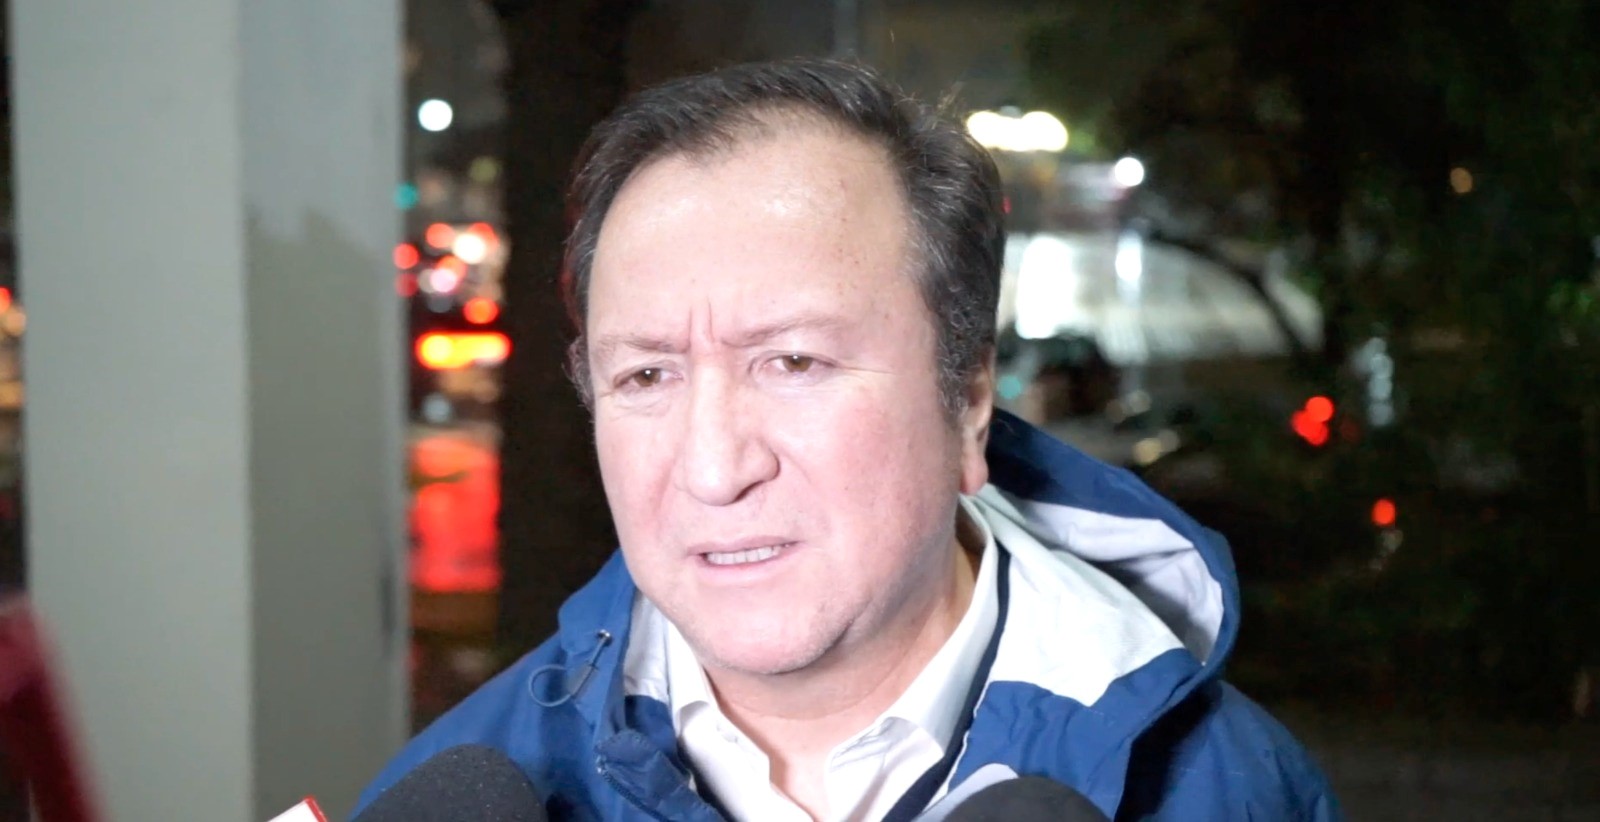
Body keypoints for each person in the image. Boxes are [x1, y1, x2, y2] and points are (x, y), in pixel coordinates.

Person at [355, 58, 1340, 821]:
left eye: (793, 362)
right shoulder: (461, 786)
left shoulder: (1227, 788)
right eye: (646, 376)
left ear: (967, 404)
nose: (714, 469)